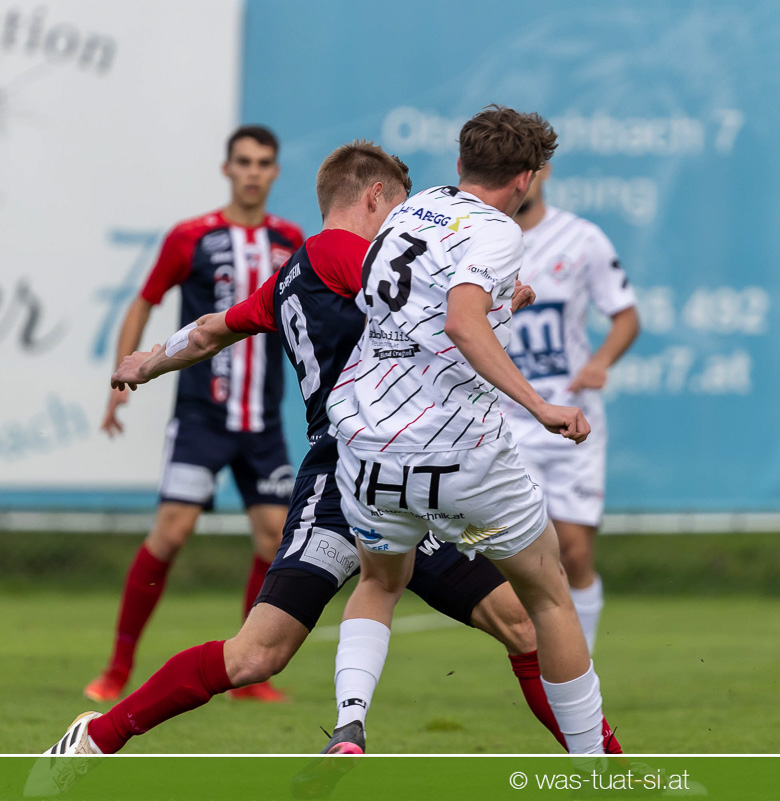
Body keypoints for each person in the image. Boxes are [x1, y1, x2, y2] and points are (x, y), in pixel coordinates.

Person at [31, 141, 619, 791]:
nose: (410, 229)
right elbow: (439, 309)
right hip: (346, 476)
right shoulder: (344, 253)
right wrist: (499, 301)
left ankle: (613, 773)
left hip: (404, 471)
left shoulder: (291, 272)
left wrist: (151, 359)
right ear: (374, 197)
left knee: (521, 625)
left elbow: (210, 330)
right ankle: (97, 736)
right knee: (257, 653)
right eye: (401, 209)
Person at [326, 105, 618, 756]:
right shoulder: (500, 231)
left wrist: (503, 303)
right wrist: (539, 404)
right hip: (457, 452)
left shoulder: (415, 208)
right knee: (550, 598)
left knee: (380, 582)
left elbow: (407, 306)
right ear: (527, 179)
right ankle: (597, 770)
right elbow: (462, 321)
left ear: (460, 164)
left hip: (369, 446)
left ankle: (350, 723)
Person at [90, 125, 303, 704]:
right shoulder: (191, 237)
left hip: (261, 422)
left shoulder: (291, 239)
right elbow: (145, 301)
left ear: (275, 171)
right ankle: (117, 668)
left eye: (263, 162)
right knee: (172, 531)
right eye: (244, 161)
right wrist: (121, 377)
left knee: (273, 538)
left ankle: (249, 677)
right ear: (227, 169)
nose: (253, 171)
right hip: (201, 418)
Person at [501, 162, 639, 653]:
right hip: (506, 420)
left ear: (543, 171)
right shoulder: (479, 239)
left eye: (527, 167)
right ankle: (542, 665)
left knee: (575, 554)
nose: (520, 179)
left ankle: (581, 664)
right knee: (520, 558)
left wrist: (600, 362)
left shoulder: (582, 238)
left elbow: (626, 317)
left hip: (570, 419)